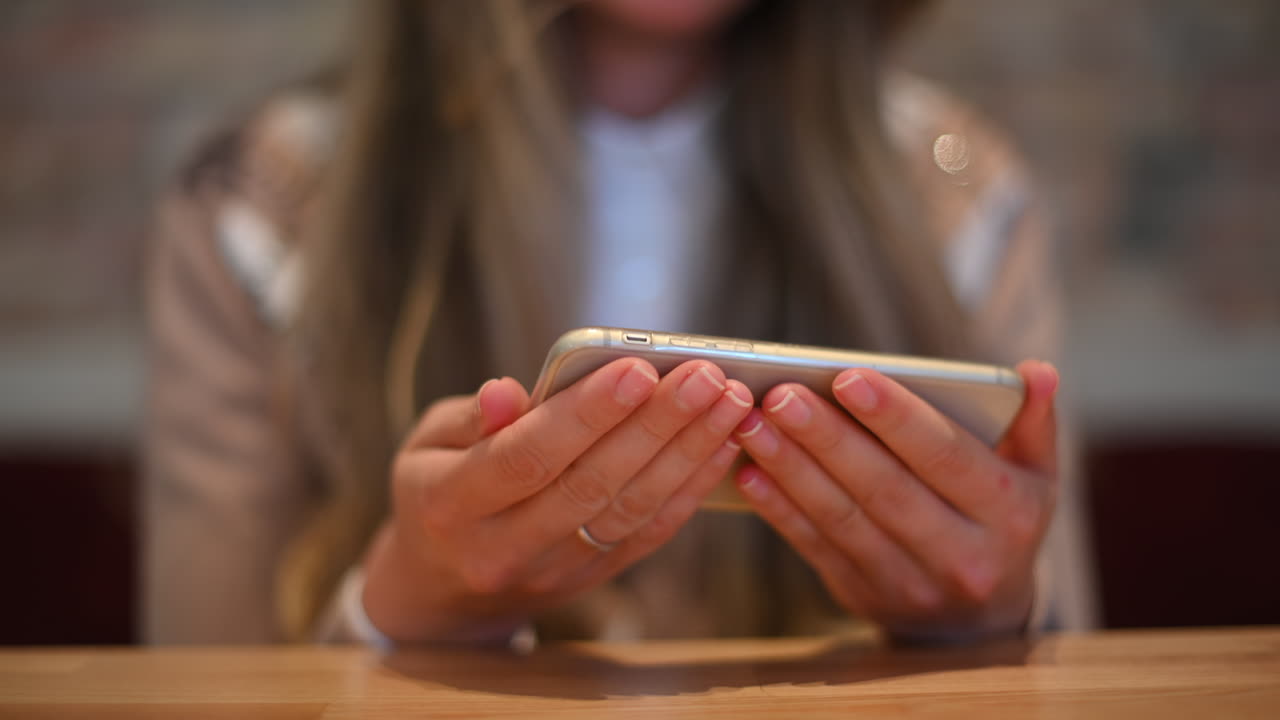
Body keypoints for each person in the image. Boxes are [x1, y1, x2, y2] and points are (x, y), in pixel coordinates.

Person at [144, 0, 1095, 647]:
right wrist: (393, 617)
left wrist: (996, 618)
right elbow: (200, 676)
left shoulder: (956, 194)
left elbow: (1074, 652)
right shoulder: (264, 207)